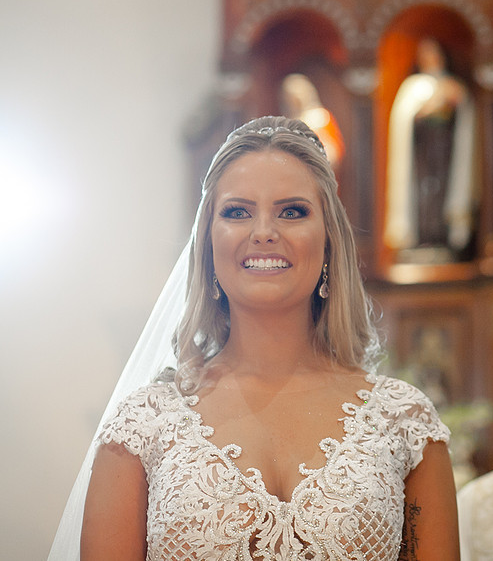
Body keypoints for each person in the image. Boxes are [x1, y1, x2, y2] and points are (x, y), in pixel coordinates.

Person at [50, 117, 459, 560]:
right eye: (237, 211)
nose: (264, 231)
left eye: (292, 211)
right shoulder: (142, 427)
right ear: (208, 244)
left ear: (329, 244)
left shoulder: (404, 422)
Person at [384, 37, 478, 261]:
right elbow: (407, 120)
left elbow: (463, 115)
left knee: (441, 196)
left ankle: (443, 238)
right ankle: (422, 237)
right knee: (424, 196)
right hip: (422, 153)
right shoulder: (413, 86)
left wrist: (450, 102)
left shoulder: (452, 84)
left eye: (434, 53)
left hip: (446, 153)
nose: (431, 58)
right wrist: (428, 109)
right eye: (425, 54)